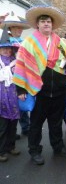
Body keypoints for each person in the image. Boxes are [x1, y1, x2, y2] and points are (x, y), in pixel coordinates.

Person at [12, 5, 66, 166]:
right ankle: (34, 151)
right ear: (37, 25)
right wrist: (20, 89)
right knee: (36, 124)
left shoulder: (60, 42)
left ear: (52, 25)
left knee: (56, 122)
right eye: (43, 21)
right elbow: (20, 66)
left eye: (48, 22)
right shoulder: (29, 42)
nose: (46, 24)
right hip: (38, 91)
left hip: (58, 90)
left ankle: (58, 147)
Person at [0, 12, 31, 138]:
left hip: (21, 76)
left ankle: (23, 127)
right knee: (10, 105)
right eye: (16, 27)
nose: (19, 30)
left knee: (21, 103)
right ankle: (11, 134)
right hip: (9, 78)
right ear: (11, 29)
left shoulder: (24, 42)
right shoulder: (7, 43)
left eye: (20, 28)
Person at [0, 27, 20, 162]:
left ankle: (10, 146)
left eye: (9, 48)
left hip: (13, 98)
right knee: (2, 126)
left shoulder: (16, 60)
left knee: (13, 124)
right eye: (3, 48)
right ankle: (1, 151)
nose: (7, 51)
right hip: (1, 98)